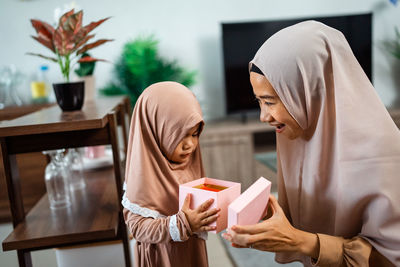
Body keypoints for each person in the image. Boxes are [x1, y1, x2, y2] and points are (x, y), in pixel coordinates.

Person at [222, 21, 400, 266]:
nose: (263, 117)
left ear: (310, 89)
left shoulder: (381, 154)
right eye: (259, 101)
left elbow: (390, 258)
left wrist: (300, 241)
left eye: (270, 101)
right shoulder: (300, 134)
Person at [122, 82, 220, 267]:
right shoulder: (142, 175)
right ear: (155, 131)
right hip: (161, 257)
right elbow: (137, 228)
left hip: (191, 253)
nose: (189, 145)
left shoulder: (188, 163)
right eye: (180, 135)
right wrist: (182, 224)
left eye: (194, 134)